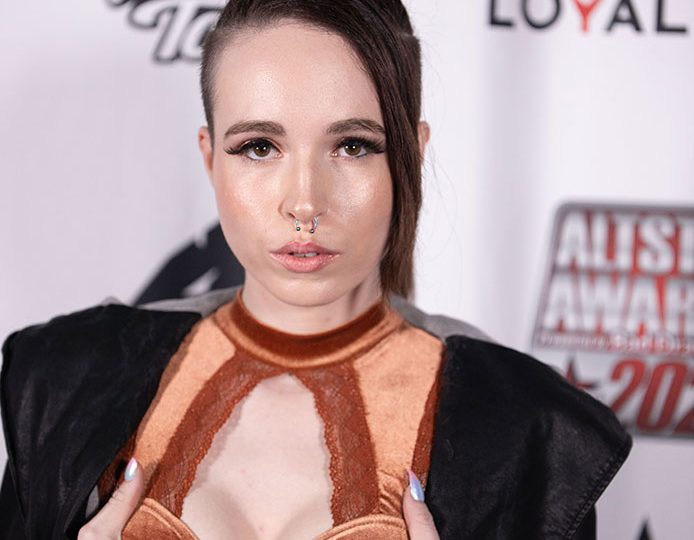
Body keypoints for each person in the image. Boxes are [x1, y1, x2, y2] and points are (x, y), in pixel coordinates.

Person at [0, 1, 631, 539]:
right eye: (259, 147)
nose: (304, 202)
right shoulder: (63, 381)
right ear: (210, 158)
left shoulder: (531, 433)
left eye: (352, 146)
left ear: (410, 156)